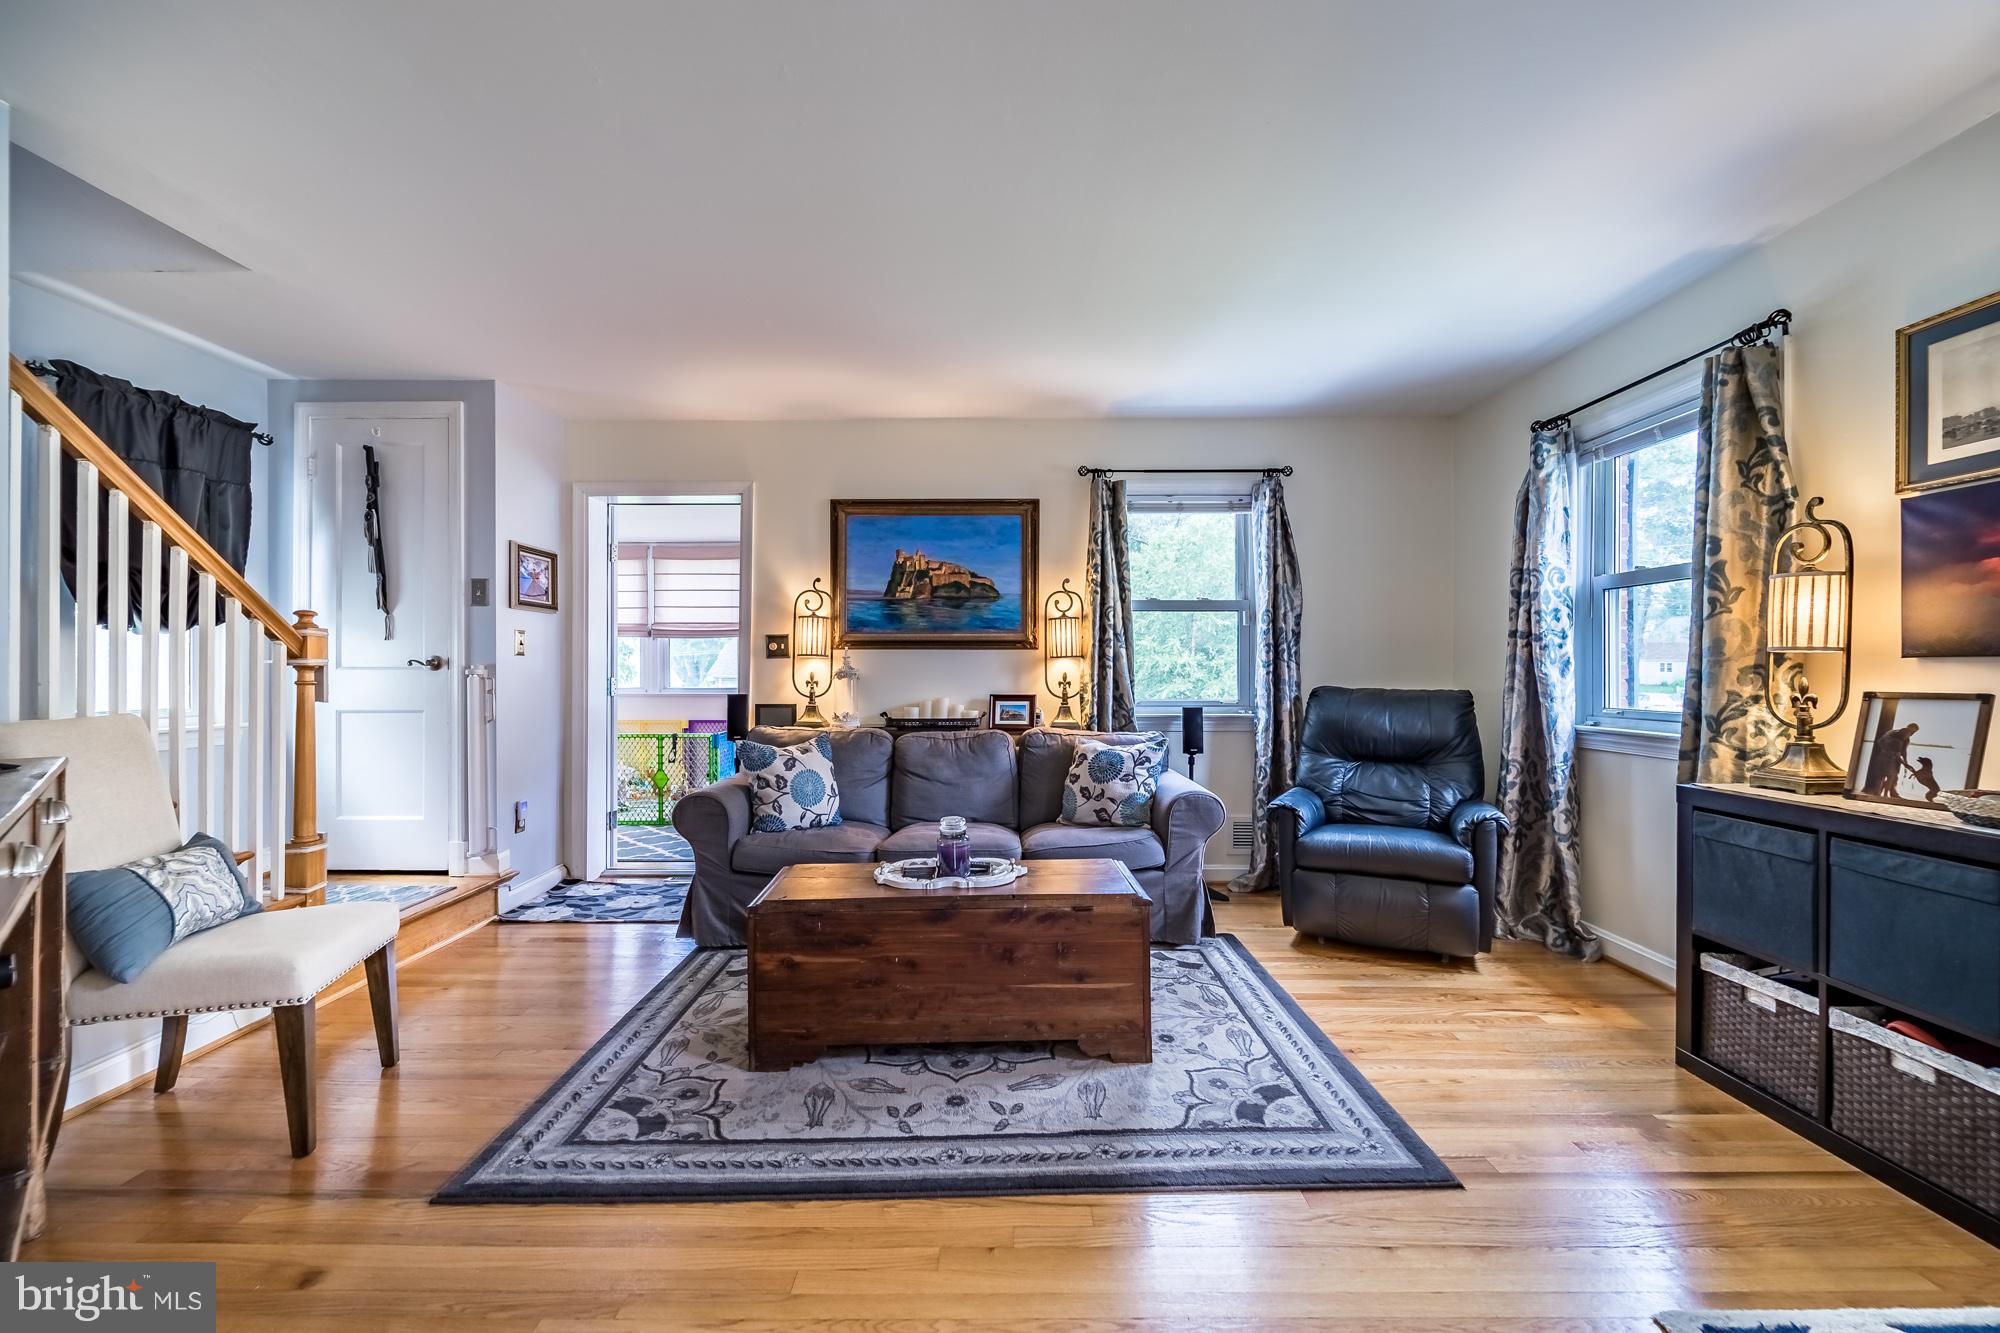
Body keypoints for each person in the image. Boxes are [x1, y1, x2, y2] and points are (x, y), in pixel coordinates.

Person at [1865, 721, 1920, 798]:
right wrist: (1904, 762)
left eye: (1914, 731)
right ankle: (1882, 793)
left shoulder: (1892, 733)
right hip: (1889, 758)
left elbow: (1880, 742)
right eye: (1912, 731)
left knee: (1883, 776)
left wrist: (1904, 762)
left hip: (1885, 756)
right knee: (1889, 776)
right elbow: (1902, 752)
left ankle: (1880, 792)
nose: (1911, 733)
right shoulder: (1900, 736)